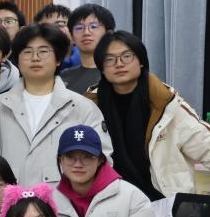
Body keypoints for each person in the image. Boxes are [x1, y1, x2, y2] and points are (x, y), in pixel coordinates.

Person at [88, 31, 210, 200]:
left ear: (141, 61)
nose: (119, 64)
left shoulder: (166, 104)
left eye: (127, 56)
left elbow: (206, 147)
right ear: (101, 67)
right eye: (110, 59)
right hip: (111, 202)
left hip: (165, 203)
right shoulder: (90, 107)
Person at [0, 23, 110, 185]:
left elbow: (102, 159)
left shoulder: (83, 108)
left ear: (58, 59)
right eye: (27, 52)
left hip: (64, 199)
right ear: (17, 59)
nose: (35, 58)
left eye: (43, 51)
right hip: (12, 199)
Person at [59, 4, 115, 94]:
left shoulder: (118, 72)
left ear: (108, 33)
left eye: (93, 27)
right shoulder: (63, 77)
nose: (86, 32)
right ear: (71, 36)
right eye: (79, 28)